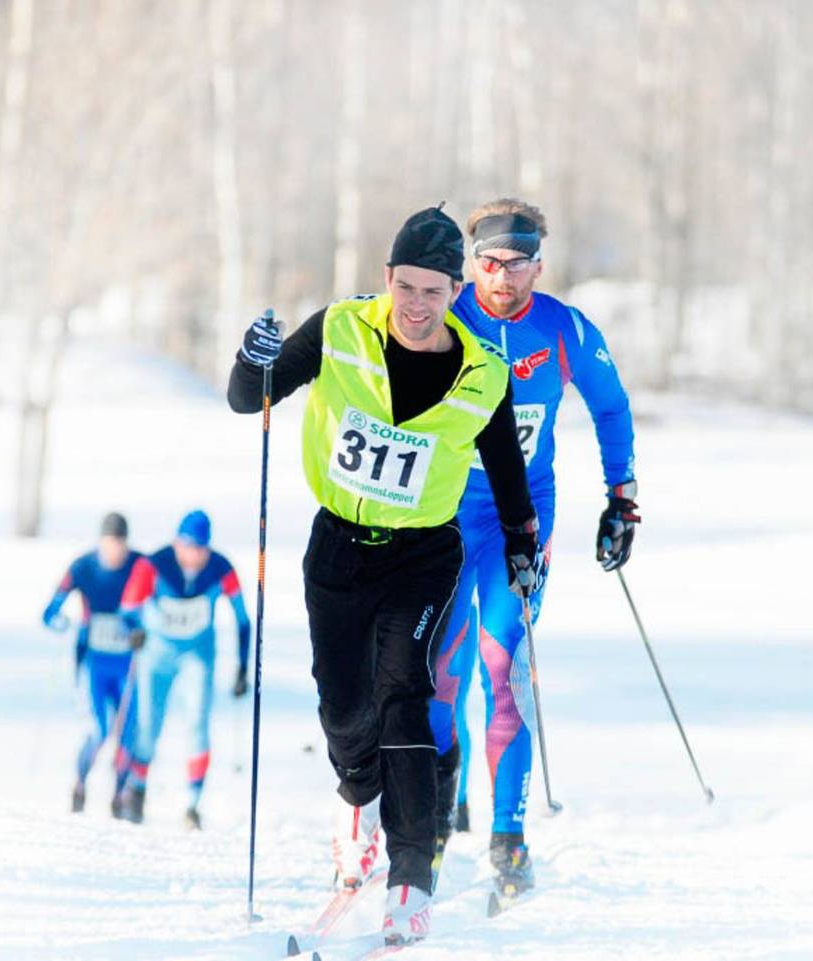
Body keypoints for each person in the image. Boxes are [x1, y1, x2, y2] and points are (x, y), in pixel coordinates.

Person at [227, 206, 541, 946]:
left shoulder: (481, 374)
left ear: (455, 291)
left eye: (435, 291)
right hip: (338, 549)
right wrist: (252, 357)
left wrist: (524, 541)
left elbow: (507, 471)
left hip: (422, 557)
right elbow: (250, 397)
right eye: (406, 287)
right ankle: (357, 799)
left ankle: (410, 879)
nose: (418, 306)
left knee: (405, 696)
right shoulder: (339, 331)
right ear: (387, 279)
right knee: (343, 708)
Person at [426, 198, 638, 902]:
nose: (502, 278)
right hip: (445, 512)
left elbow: (610, 406)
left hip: (521, 518)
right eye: (489, 264)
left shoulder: (564, 327)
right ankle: (433, 815)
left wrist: (622, 495)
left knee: (503, 661)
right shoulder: (444, 317)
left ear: (538, 266)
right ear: (471, 264)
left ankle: (508, 836)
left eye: (517, 265)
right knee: (439, 663)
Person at [117, 509, 251, 830]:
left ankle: (192, 804)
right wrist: (133, 630)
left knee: (198, 724)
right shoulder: (154, 564)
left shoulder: (221, 569)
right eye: (187, 548)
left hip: (197, 656)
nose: (192, 557)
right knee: (149, 725)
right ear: (177, 543)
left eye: (199, 550)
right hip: (157, 656)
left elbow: (243, 619)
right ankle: (136, 788)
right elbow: (127, 608)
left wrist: (242, 667)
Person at [42, 511, 144, 816]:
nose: (115, 551)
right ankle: (80, 785)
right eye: (110, 544)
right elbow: (50, 611)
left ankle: (119, 794)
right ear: (101, 542)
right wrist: (62, 622)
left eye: (120, 544)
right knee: (98, 730)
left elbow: (159, 601)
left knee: (127, 731)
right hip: (93, 663)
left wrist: (143, 630)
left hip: (128, 664)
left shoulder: (140, 566)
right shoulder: (83, 567)